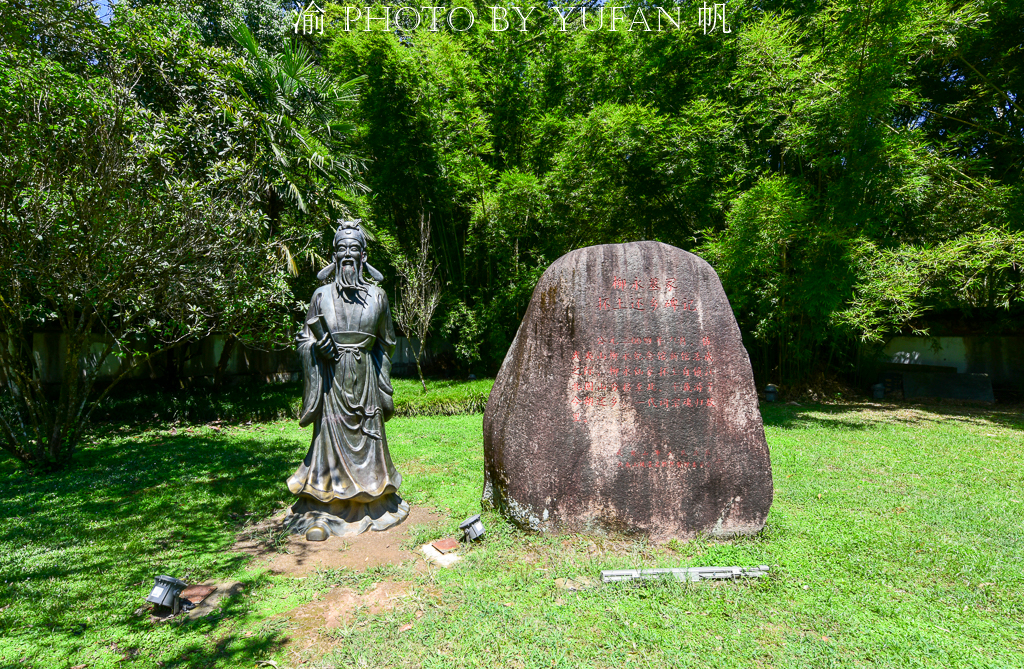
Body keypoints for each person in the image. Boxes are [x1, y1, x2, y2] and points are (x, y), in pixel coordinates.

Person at [285, 220, 409, 539]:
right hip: (330, 383)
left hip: (366, 380)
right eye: (342, 249)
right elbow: (303, 340)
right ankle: (327, 505)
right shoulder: (320, 295)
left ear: (364, 255)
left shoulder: (378, 297)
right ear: (334, 255)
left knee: (369, 441)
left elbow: (387, 342)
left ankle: (373, 498)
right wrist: (317, 349)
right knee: (328, 439)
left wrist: (382, 386)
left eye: (354, 248)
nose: (348, 255)